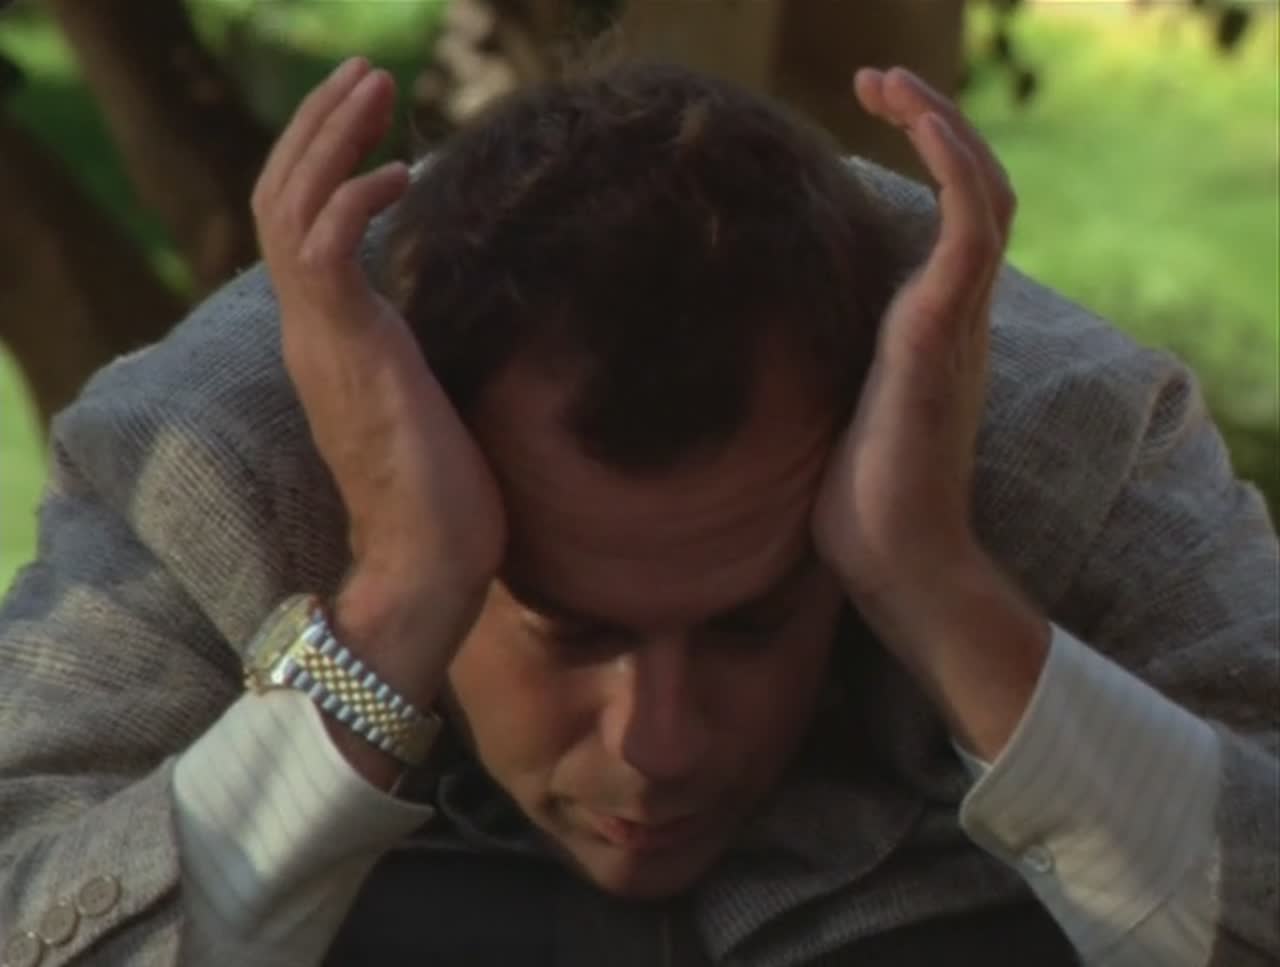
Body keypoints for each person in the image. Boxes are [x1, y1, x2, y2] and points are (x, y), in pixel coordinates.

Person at [0, 53, 1275, 967]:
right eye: (568, 628)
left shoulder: (1057, 438)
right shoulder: (214, 460)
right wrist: (391, 606)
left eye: (746, 625)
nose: (657, 745)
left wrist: (935, 587)